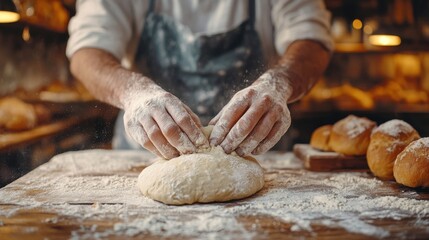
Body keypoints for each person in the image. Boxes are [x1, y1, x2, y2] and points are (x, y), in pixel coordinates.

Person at [67, 0, 333, 159]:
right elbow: (87, 52)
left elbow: (311, 39)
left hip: (258, 155)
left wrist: (279, 83)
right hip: (144, 158)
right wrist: (134, 93)